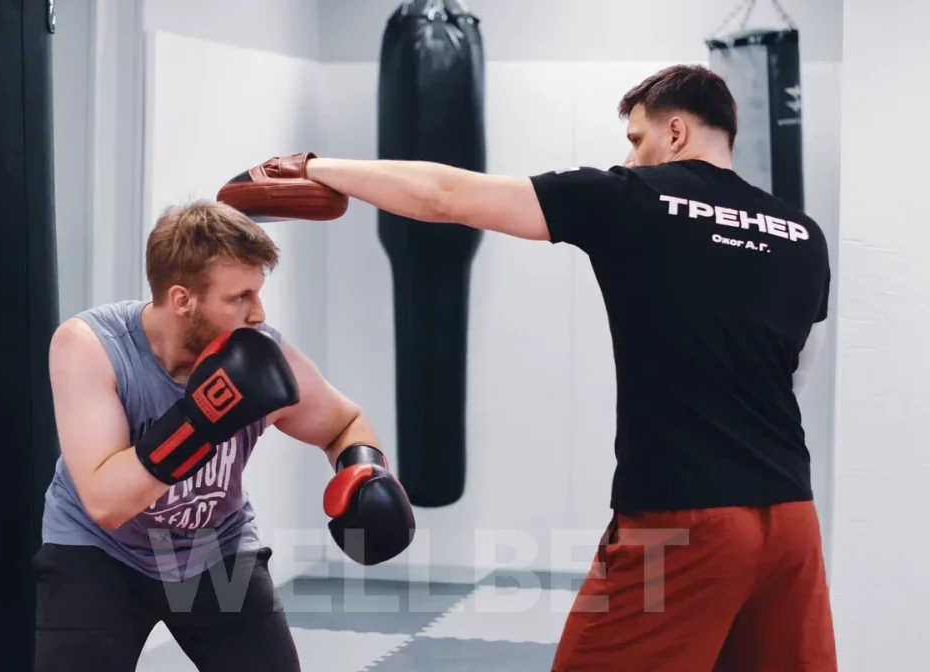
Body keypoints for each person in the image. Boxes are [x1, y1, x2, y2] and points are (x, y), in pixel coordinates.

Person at [241, 64, 836, 670]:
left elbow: (446, 195)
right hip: (791, 519)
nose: (629, 157)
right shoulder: (804, 236)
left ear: (676, 132)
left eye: (637, 139)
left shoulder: (629, 196)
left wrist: (313, 167)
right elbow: (795, 376)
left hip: (681, 517)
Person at [35, 200, 414, 672]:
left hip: (213, 552)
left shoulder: (264, 355)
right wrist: (203, 417)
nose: (259, 313)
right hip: (102, 555)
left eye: (258, 293)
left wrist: (364, 470)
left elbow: (342, 422)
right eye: (240, 298)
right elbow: (106, 502)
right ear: (182, 300)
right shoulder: (92, 347)